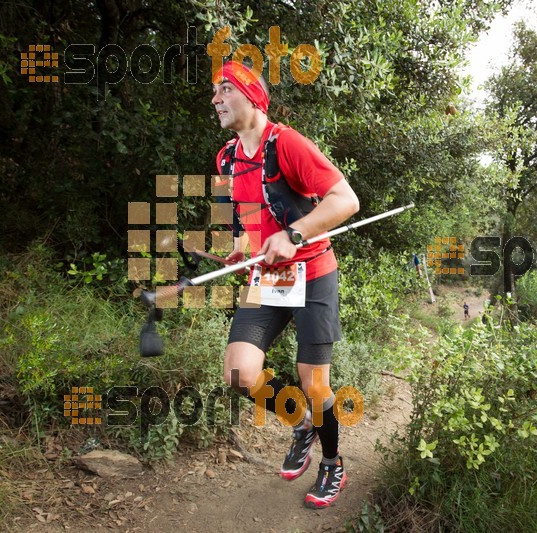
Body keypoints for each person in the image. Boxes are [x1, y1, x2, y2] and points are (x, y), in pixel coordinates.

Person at [211, 61, 359, 509]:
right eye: (213, 93)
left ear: (253, 96)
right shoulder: (226, 158)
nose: (214, 99)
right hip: (270, 277)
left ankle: (332, 464)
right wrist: (241, 247)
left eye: (224, 89)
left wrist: (294, 234)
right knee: (239, 373)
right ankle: (301, 425)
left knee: (315, 385)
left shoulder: (287, 143)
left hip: (313, 273)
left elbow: (346, 200)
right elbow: (245, 219)